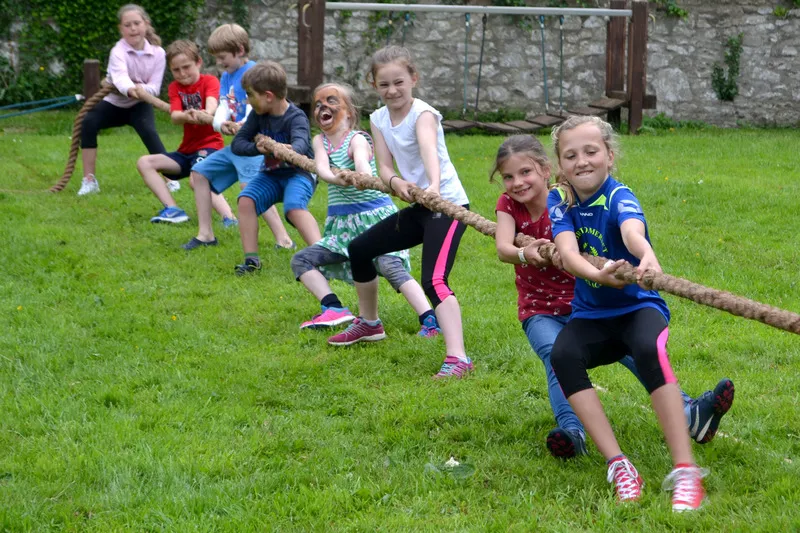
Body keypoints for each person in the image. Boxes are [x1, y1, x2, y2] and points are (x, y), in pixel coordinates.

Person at [492, 134, 734, 462]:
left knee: (633, 349)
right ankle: (572, 431)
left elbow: (617, 228)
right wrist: (525, 253)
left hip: (583, 300)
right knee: (555, 353)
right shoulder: (509, 205)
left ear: (546, 170)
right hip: (539, 308)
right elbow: (503, 247)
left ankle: (690, 412)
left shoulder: (567, 198)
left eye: (525, 172)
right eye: (508, 176)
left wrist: (636, 253)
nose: (518, 183)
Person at [546, 116, 724, 511]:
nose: (582, 161)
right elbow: (569, 253)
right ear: (560, 164)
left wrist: (646, 255)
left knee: (647, 348)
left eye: (591, 151)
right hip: (592, 315)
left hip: (639, 307)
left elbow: (632, 231)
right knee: (563, 355)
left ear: (609, 156)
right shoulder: (559, 199)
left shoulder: (619, 195)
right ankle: (620, 465)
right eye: (570, 155)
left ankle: (686, 472)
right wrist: (599, 276)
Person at [329, 46, 471, 379]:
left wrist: (433, 186)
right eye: (384, 84)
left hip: (447, 206)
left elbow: (428, 149)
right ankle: (369, 323)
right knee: (360, 248)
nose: (392, 90)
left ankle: (458, 358)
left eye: (399, 83)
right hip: (420, 206)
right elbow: (384, 165)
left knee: (434, 280)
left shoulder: (423, 114)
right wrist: (395, 182)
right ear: (374, 85)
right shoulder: (379, 118)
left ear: (413, 79)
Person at [291, 83, 441, 338]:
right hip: (342, 226)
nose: (323, 107)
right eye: (318, 104)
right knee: (301, 260)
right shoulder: (319, 141)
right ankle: (333, 308)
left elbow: (363, 163)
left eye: (331, 101)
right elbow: (323, 169)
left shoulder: (357, 139)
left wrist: (361, 175)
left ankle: (430, 320)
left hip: (373, 218)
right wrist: (339, 179)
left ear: (349, 112)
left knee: (388, 264)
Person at [182, 23, 294, 250]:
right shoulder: (226, 76)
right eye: (216, 57)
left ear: (240, 50)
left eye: (223, 57)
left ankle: (284, 240)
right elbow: (225, 103)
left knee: (252, 190)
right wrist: (219, 122)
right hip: (238, 145)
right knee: (199, 174)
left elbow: (258, 104)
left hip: (254, 145)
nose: (219, 62)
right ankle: (205, 235)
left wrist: (244, 125)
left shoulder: (255, 73)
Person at [229, 60, 321, 274]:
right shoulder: (258, 115)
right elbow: (238, 143)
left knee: (294, 208)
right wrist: (257, 148)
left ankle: (323, 257)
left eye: (250, 94)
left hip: (299, 174)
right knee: (246, 201)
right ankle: (251, 261)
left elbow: (301, 143)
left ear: (268, 96)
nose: (247, 100)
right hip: (272, 174)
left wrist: (287, 150)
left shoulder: (296, 117)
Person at [78, 4, 166, 196]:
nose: (133, 28)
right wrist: (132, 88)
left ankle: (170, 178)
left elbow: (155, 87)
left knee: (149, 132)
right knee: (88, 122)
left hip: (139, 105)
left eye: (137, 23)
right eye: (127, 25)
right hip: (114, 103)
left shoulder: (159, 53)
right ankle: (89, 181)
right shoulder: (117, 51)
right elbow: (120, 79)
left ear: (146, 24)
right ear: (121, 29)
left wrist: (139, 90)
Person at [135, 40, 226, 223]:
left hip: (210, 147)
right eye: (176, 70)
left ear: (198, 62)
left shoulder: (209, 81)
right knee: (145, 162)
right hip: (186, 151)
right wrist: (187, 115)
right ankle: (173, 209)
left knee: (197, 178)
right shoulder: (175, 88)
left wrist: (205, 113)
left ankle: (229, 218)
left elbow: (212, 103)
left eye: (186, 67)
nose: (182, 74)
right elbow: (175, 116)